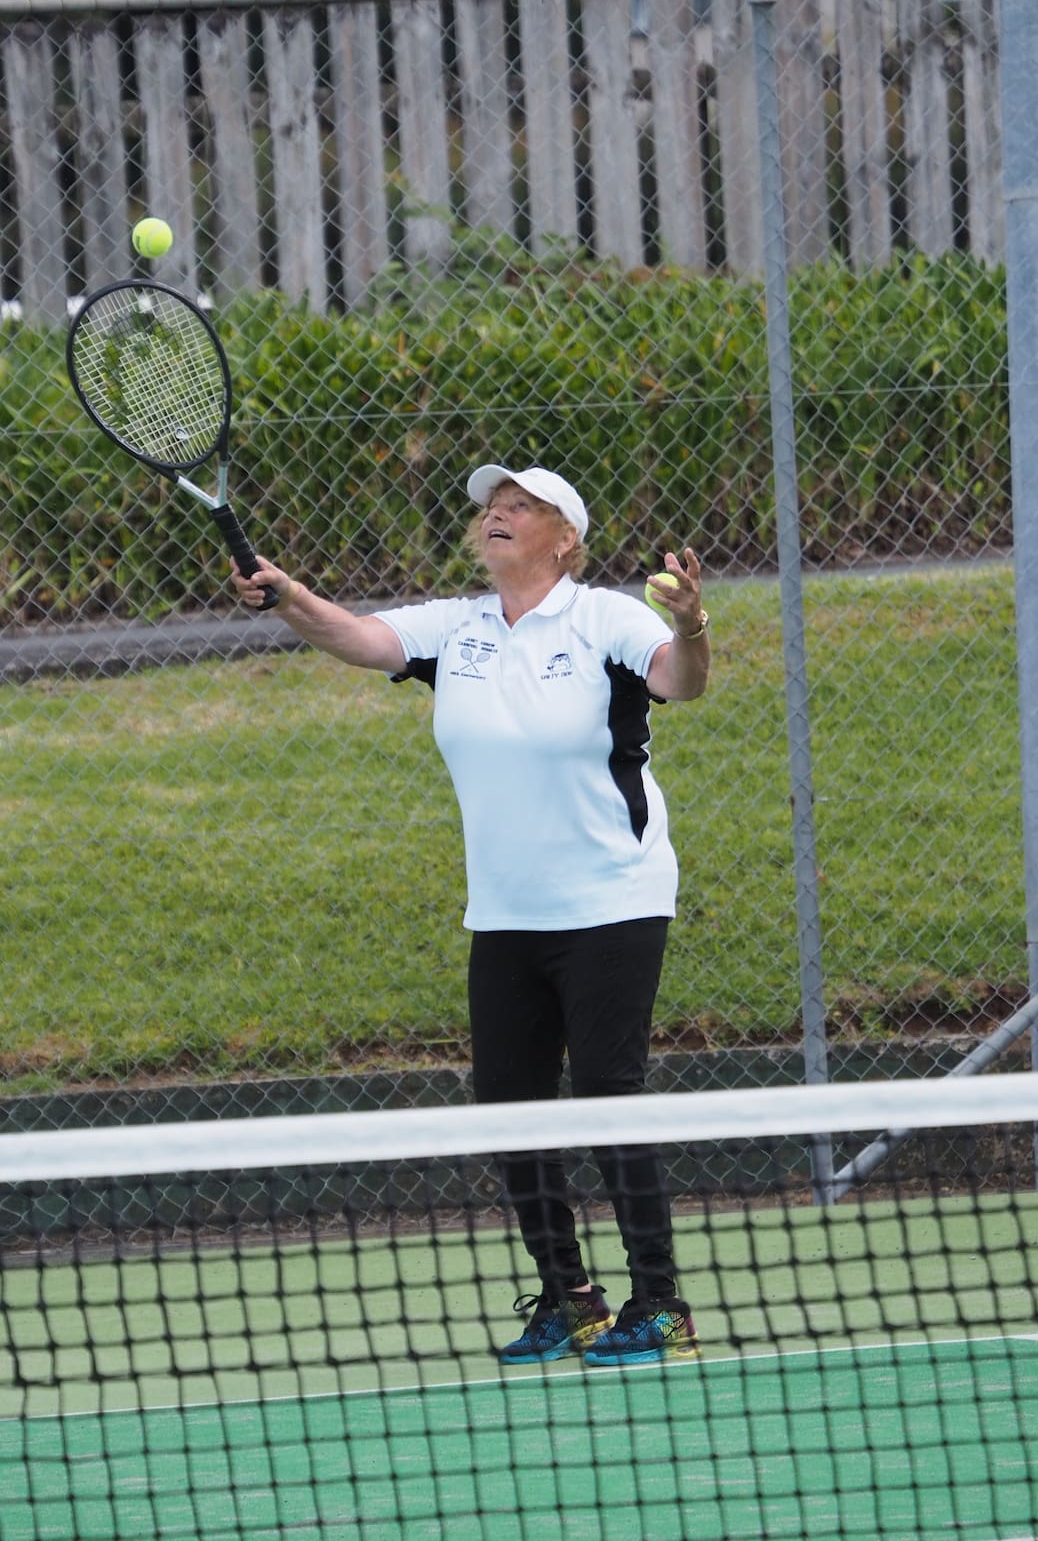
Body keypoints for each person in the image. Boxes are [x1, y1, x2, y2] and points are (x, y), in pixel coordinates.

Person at [232, 463, 711, 1368]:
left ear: (564, 537)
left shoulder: (607, 617)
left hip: (614, 897)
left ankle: (662, 1303)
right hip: (505, 911)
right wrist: (288, 594)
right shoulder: (456, 629)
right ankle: (570, 1298)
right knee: (509, 1108)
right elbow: (361, 637)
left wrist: (692, 625)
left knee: (608, 1096)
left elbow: (680, 683)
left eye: (521, 506)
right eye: (494, 505)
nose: (498, 514)